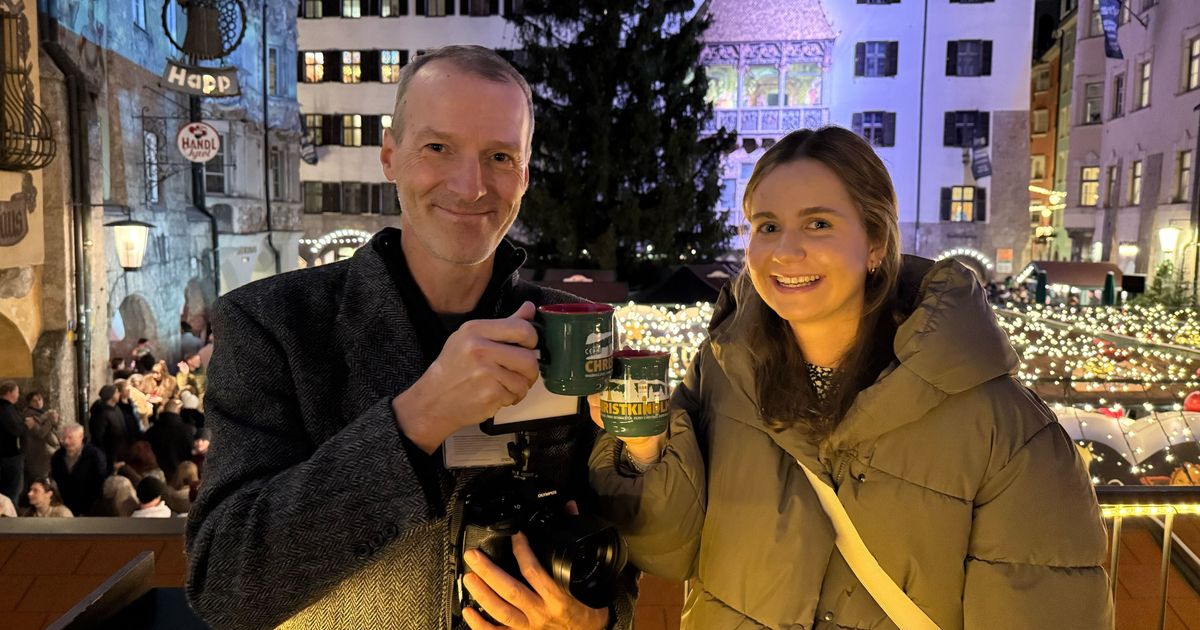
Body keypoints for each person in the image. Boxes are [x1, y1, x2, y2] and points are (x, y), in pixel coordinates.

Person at [588, 127, 1113, 628]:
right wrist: (644, 447)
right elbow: (666, 548)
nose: (785, 251)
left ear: (876, 243)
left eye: (818, 223)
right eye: (767, 226)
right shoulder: (721, 374)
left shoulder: (1007, 431)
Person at [185, 45, 633, 630]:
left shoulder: (574, 329)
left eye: (499, 156)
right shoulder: (274, 324)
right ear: (391, 156)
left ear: (524, 173)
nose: (471, 186)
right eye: (438, 148)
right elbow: (224, 583)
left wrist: (594, 623)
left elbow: (619, 535)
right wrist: (416, 418)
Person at [51, 423, 107, 517]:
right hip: (68, 508)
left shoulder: (95, 455)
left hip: (91, 509)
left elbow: (99, 482)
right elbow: (56, 478)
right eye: (64, 438)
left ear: (81, 437)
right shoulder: (57, 457)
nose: (66, 441)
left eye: (70, 438)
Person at [145, 398, 195, 486]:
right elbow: (191, 452)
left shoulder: (151, 431)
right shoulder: (188, 430)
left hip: (158, 475)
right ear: (178, 411)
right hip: (181, 477)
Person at [88, 385, 127, 474]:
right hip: (108, 455)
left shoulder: (116, 408)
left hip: (118, 452)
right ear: (111, 395)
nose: (119, 394)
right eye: (116, 392)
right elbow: (98, 437)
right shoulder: (101, 414)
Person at [0, 381, 24, 507]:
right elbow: (15, 430)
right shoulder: (6, 409)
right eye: (17, 392)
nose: (18, 395)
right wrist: (25, 425)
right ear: (9, 393)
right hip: (9, 457)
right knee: (12, 493)